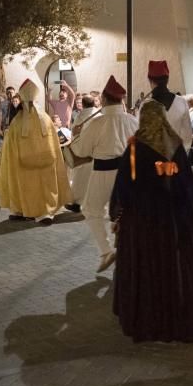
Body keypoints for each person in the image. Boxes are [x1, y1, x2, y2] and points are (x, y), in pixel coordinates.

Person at [110, 101, 193, 342]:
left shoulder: (136, 148)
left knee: (147, 269)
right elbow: (186, 183)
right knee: (179, 268)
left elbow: (124, 184)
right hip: (176, 219)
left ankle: (148, 318)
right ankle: (181, 313)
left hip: (143, 221)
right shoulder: (175, 144)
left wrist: (117, 212)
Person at [68, 76, 138, 270]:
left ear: (105, 100)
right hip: (129, 174)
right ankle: (127, 252)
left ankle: (107, 251)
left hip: (103, 172)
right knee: (124, 212)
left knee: (91, 209)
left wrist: (78, 134)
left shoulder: (97, 123)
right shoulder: (132, 120)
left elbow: (81, 151)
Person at [0, 80, 72, 225]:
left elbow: (9, 148)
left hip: (23, 165)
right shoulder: (46, 119)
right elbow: (54, 144)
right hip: (46, 162)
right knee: (43, 186)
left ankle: (22, 210)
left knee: (24, 186)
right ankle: (44, 212)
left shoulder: (16, 122)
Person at [136, 60, 193, 151]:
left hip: (151, 160)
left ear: (150, 80)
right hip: (175, 159)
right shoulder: (181, 102)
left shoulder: (145, 105)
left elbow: (140, 136)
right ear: (167, 79)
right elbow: (187, 136)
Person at [65, 94, 100, 214]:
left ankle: (78, 203)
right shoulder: (100, 114)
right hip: (97, 152)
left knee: (80, 179)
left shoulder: (81, 116)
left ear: (84, 105)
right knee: (94, 179)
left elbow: (74, 134)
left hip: (83, 154)